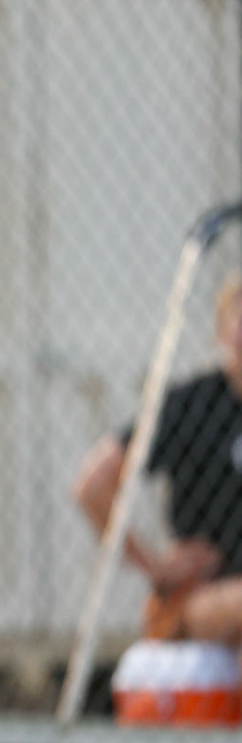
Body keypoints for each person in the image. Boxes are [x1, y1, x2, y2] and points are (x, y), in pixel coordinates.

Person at [74, 274, 242, 645]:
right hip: (202, 594)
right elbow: (93, 485)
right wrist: (154, 564)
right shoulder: (191, 405)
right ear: (222, 333)